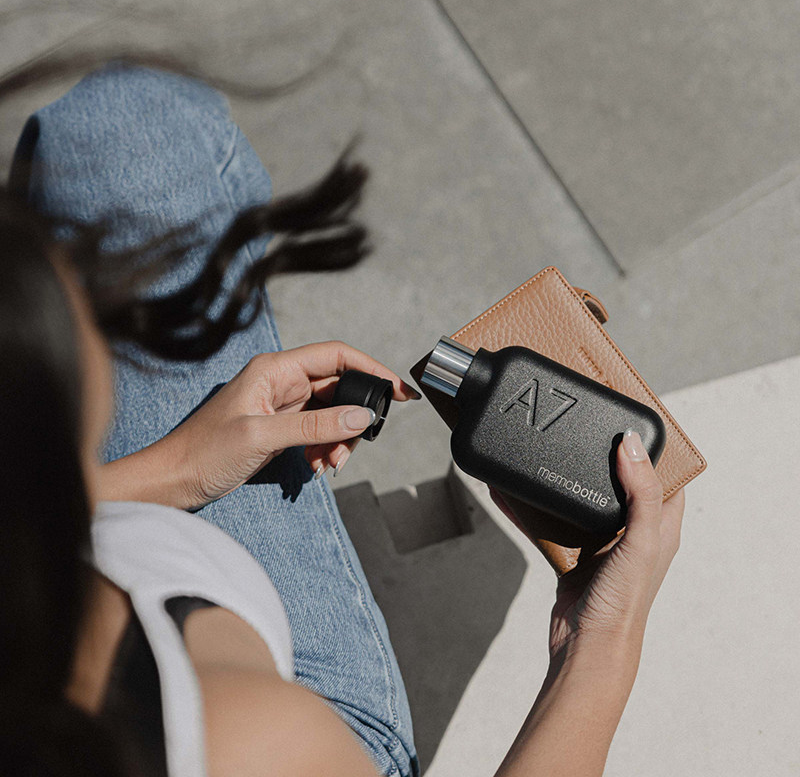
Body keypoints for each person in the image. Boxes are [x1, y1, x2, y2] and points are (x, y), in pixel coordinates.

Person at [0, 59, 684, 777]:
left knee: (119, 126)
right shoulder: (258, 741)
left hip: (103, 573)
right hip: (292, 712)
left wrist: (178, 468)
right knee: (135, 130)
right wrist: (601, 638)